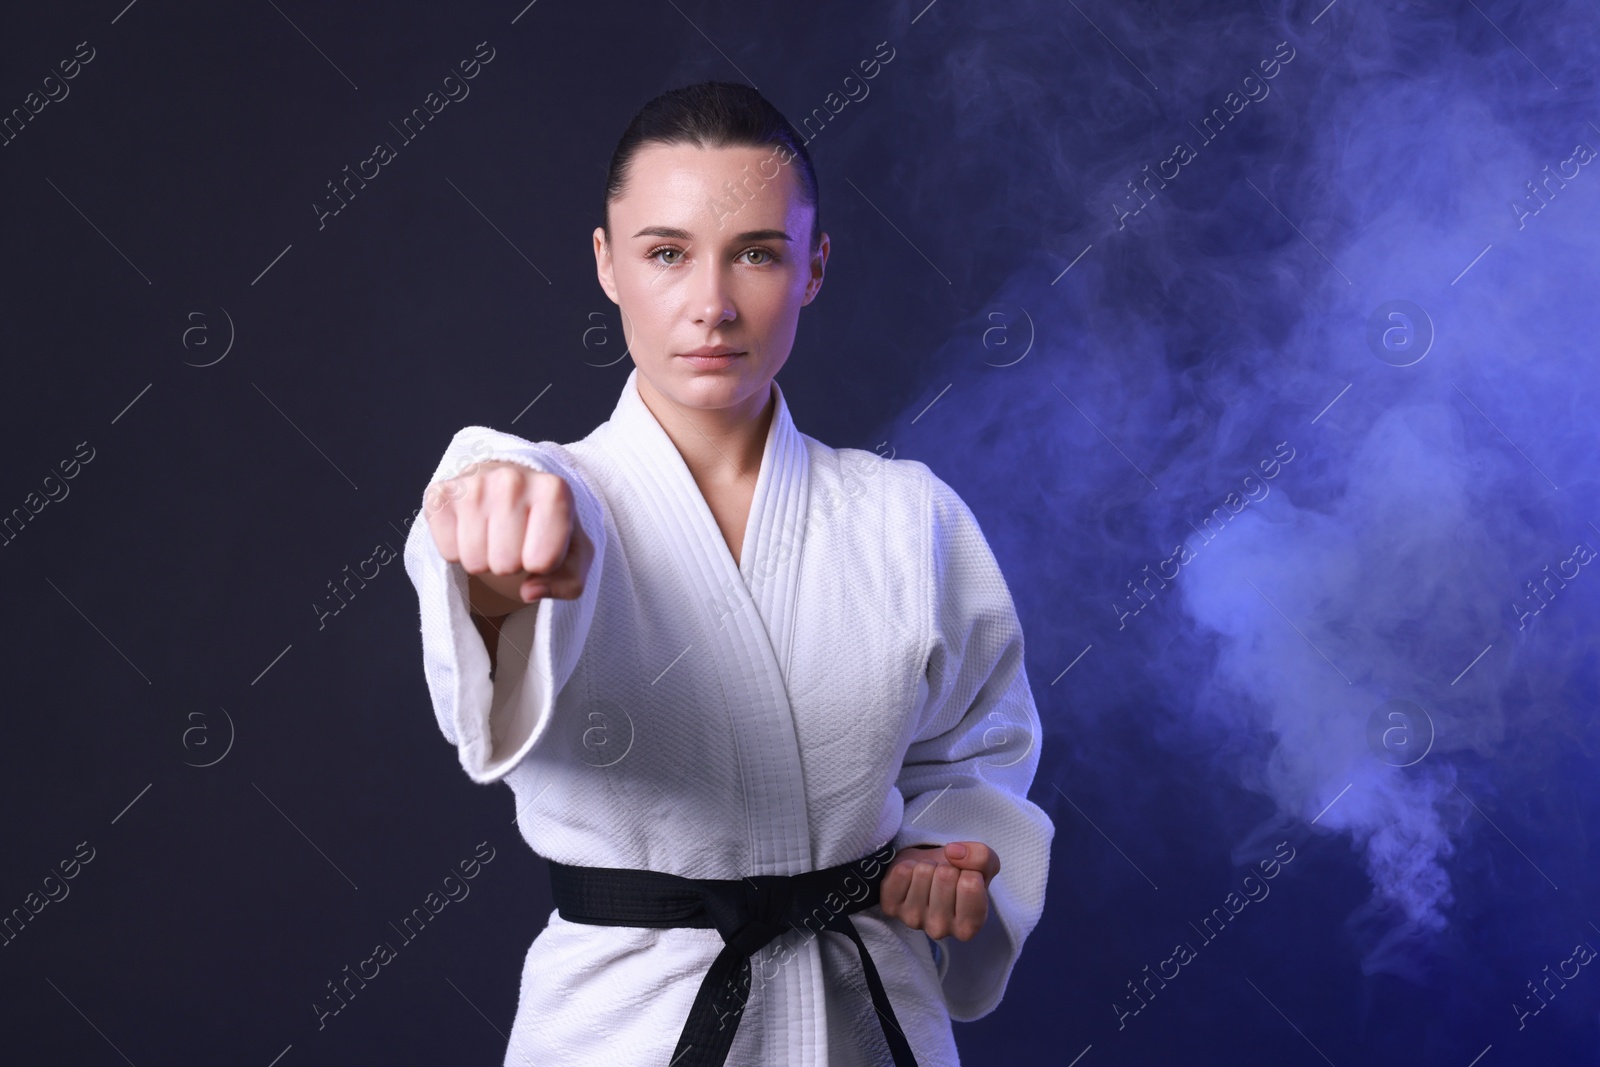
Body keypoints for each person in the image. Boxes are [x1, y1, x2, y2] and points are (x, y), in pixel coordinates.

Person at [402, 80, 1053, 1067]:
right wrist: (493, 558)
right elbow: (487, 527)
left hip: (869, 1021)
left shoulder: (907, 516)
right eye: (665, 253)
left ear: (814, 269)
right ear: (606, 264)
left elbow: (978, 752)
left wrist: (951, 851)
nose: (709, 304)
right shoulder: (547, 493)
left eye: (756, 252)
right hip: (623, 1028)